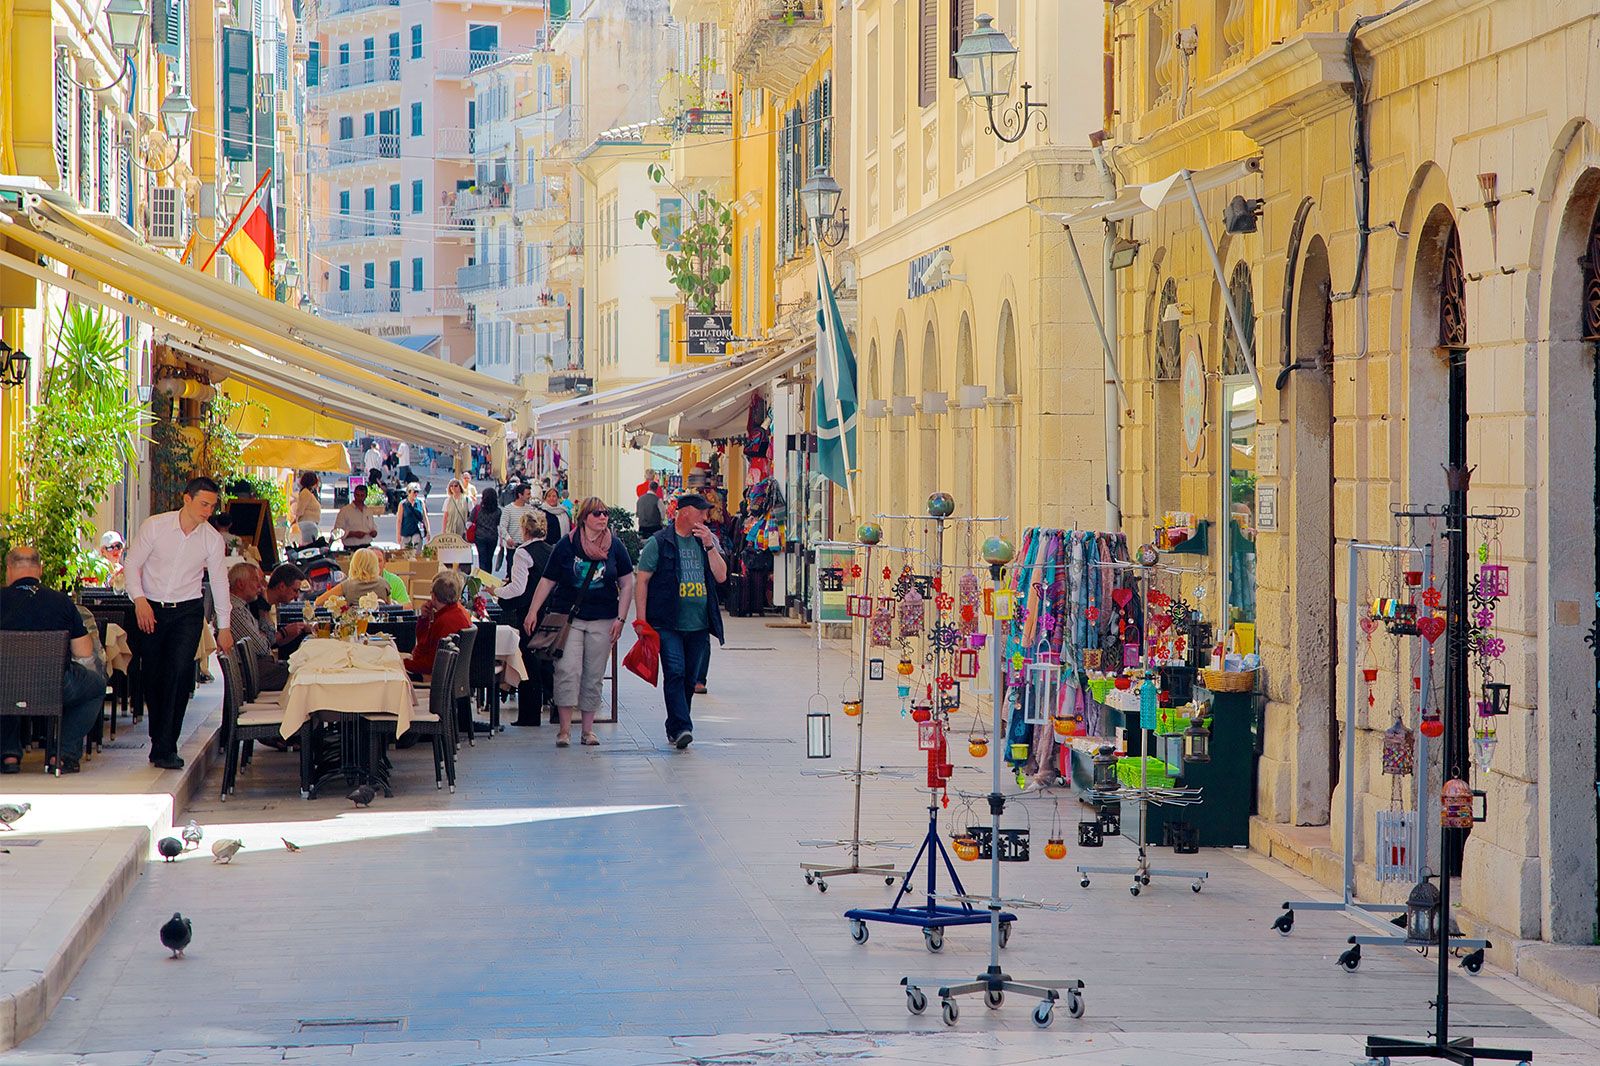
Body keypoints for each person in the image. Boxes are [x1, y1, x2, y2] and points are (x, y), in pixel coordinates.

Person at [122, 476, 236, 770]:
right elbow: (132, 564)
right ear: (187, 499)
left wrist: (224, 626)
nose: (208, 511)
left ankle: (166, 745)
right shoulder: (156, 527)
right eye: (203, 504)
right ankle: (158, 737)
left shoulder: (211, 539)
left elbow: (220, 583)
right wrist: (140, 600)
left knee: (179, 674)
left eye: (212, 506)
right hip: (150, 608)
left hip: (187, 612)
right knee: (153, 675)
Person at [525, 497, 633, 747]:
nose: (603, 517)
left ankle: (587, 730)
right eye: (597, 513)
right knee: (567, 671)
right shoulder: (567, 545)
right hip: (569, 617)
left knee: (593, 674)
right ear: (584, 517)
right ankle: (564, 730)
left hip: (603, 617)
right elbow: (548, 580)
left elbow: (627, 582)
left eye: (605, 513)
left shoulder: (614, 546)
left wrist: (621, 617)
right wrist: (533, 611)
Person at [0, 546, 107, 774]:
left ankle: (8, 754)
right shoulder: (61, 602)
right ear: (40, 569)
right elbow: (84, 651)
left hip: (3, 687)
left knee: (8, 680)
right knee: (96, 687)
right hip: (54, 686)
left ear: (9, 569)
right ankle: (62, 753)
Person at [634, 493, 726, 750]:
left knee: (689, 678)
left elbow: (721, 576)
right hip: (667, 621)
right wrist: (641, 620)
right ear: (685, 512)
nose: (706, 517)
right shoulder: (659, 542)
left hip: (698, 623)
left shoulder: (706, 540)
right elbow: (642, 580)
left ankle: (675, 725)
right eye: (702, 512)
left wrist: (709, 545)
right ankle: (683, 726)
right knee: (674, 672)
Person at [496, 511, 554, 727]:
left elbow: (518, 588)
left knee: (528, 662)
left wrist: (497, 590)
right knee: (547, 661)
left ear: (525, 530)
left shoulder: (522, 553)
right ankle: (553, 709)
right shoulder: (550, 550)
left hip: (529, 612)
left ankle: (529, 715)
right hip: (549, 611)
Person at [226, 563, 290, 691]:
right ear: (240, 584)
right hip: (251, 674)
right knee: (301, 676)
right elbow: (262, 648)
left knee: (300, 667)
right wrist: (264, 637)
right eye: (256, 580)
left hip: (260, 668)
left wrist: (264, 608)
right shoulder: (235, 610)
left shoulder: (245, 607)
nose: (260, 587)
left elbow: (270, 639)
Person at [404, 569, 472, 678]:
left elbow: (430, 663)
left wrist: (403, 663)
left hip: (434, 675)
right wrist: (424, 618)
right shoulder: (457, 612)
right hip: (449, 674)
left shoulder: (445, 621)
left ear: (434, 596)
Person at [314, 547, 392, 607]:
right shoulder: (384, 584)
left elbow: (318, 602)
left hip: (356, 625)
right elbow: (389, 607)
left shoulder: (347, 585)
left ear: (354, 564)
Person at [263, 563, 312, 657]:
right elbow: (262, 644)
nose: (297, 596)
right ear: (281, 587)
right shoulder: (259, 607)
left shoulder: (270, 606)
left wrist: (297, 630)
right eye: (295, 590)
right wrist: (284, 632)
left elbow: (273, 643)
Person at [499, 482, 537, 571]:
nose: (530, 496)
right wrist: (508, 539)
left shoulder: (530, 509)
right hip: (513, 547)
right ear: (520, 495)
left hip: (527, 547)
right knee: (512, 572)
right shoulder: (508, 509)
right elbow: (503, 526)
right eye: (528, 494)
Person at [332, 482, 379, 550]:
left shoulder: (368, 511)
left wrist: (374, 532)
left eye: (362, 495)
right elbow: (336, 532)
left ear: (366, 496)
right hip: (351, 548)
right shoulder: (345, 511)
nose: (359, 498)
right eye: (357, 495)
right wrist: (352, 534)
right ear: (354, 495)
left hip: (367, 547)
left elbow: (373, 527)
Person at [471, 486, 502, 573]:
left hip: (480, 536)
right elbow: (499, 524)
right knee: (489, 559)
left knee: (482, 558)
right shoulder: (498, 511)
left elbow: (469, 521)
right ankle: (488, 578)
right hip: (492, 537)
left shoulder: (478, 509)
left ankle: (483, 578)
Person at [288, 473, 322, 546]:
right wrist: (295, 521)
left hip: (309, 524)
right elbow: (300, 510)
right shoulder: (305, 493)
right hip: (307, 525)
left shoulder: (307, 492)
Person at [398, 482, 429, 547]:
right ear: (409, 492)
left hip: (417, 531)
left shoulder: (420, 502)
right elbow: (399, 520)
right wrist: (398, 535)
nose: (416, 494)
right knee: (405, 553)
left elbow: (425, 518)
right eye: (414, 492)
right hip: (406, 531)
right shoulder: (403, 504)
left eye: (417, 492)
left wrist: (428, 531)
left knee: (416, 551)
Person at [636, 474, 665, 539]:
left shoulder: (640, 499)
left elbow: (638, 514)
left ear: (649, 487)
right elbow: (662, 513)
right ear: (656, 489)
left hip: (642, 527)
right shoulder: (657, 500)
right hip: (655, 528)